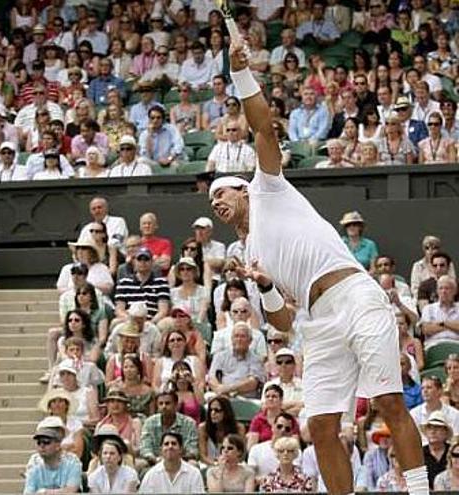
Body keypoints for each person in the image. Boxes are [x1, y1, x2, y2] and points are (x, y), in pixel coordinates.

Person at [212, 37, 428, 495]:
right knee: (322, 427)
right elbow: (283, 321)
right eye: (212, 200)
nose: (217, 203)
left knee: (389, 400)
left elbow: (263, 129)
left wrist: (240, 73)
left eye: (223, 194)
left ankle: (420, 490)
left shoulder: (268, 187)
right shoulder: (248, 258)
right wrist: (268, 287)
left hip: (355, 296)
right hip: (315, 324)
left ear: (244, 190)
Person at [23, 420, 82, 494]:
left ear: (58, 445)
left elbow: (71, 491)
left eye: (46, 442)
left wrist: (44, 492)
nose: (42, 445)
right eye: (39, 442)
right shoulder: (34, 463)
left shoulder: (72, 462)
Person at [138, 431, 204, 493]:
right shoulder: (151, 475)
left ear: (181, 449)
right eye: (166, 444)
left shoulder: (194, 474)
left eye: (174, 443)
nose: (170, 446)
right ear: (161, 450)